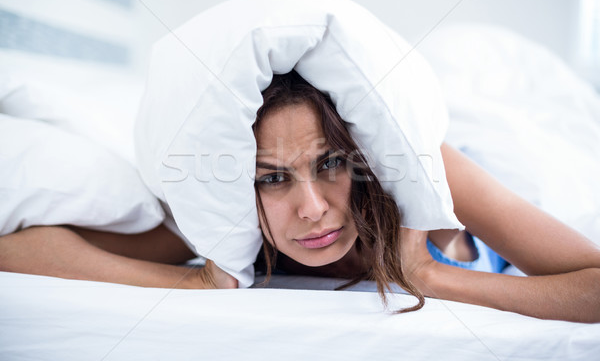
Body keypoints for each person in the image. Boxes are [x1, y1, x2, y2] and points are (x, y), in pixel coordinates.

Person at [1, 71, 599, 323]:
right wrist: (196, 282)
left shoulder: (423, 170)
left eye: (330, 164)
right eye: (272, 177)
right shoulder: (231, 220)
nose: (311, 209)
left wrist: (429, 277)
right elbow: (21, 249)